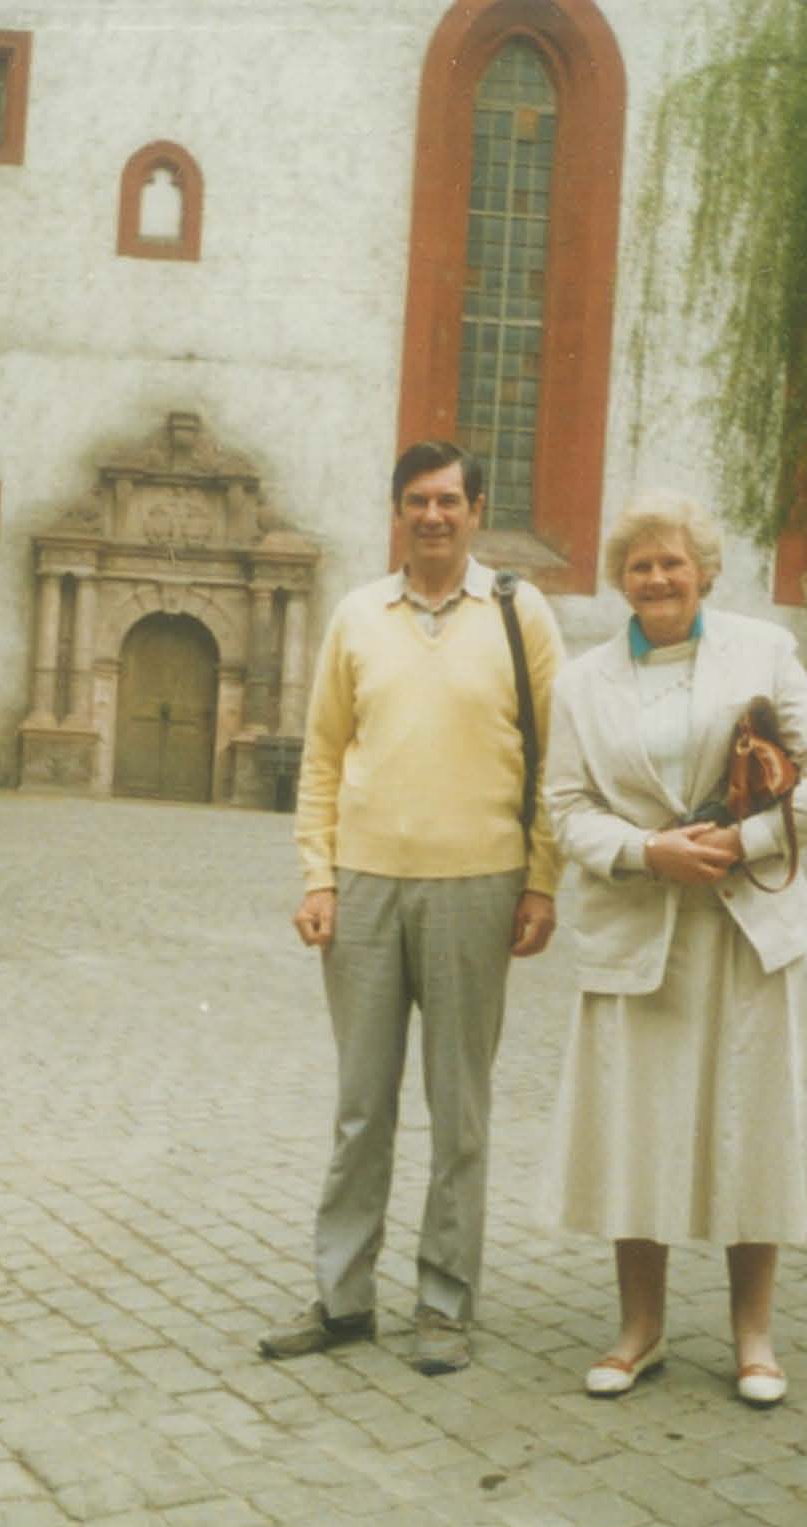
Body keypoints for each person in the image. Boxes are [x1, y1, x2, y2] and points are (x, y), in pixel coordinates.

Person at [536, 494, 807, 1407]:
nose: (656, 578)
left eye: (672, 562)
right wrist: (646, 852)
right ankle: (639, 1329)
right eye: (639, 565)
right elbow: (564, 807)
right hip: (642, 929)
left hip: (750, 927)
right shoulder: (583, 682)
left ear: (704, 572)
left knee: (750, 1122)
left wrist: (740, 843)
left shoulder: (764, 652)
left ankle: (752, 1335)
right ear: (620, 579)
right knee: (636, 1127)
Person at [259, 438, 565, 1376]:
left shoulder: (522, 614)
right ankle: (344, 1299)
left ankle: (443, 1302)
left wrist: (541, 879)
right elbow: (319, 760)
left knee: (458, 1108)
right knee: (361, 1107)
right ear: (397, 513)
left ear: (477, 508)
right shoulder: (357, 617)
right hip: (365, 889)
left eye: (447, 500)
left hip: (478, 886)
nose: (431, 516)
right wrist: (318, 875)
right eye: (415, 502)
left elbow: (558, 761)